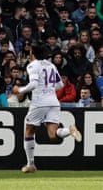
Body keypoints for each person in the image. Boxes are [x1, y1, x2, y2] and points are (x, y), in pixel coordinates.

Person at [12, 42, 82, 173]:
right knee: (53, 135)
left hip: (39, 102)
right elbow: (60, 84)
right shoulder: (51, 65)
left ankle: (30, 164)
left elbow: (33, 84)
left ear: (33, 52)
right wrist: (48, 89)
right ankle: (69, 130)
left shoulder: (32, 65)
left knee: (28, 131)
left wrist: (19, 89)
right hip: (53, 102)